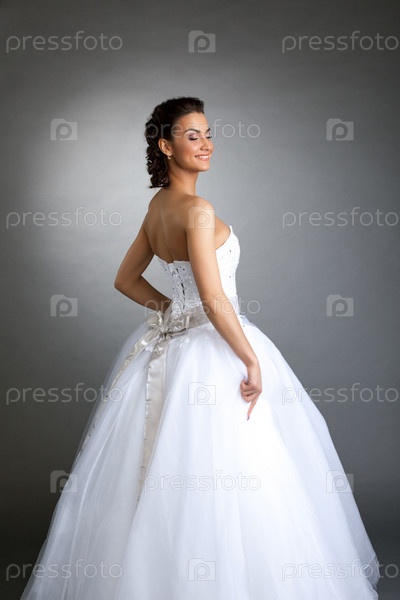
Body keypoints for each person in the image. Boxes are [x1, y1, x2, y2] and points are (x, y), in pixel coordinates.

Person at [20, 97, 380, 599]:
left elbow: (126, 279)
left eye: (209, 133)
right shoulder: (197, 210)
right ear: (166, 146)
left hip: (171, 351)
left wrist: (174, 310)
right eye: (193, 135)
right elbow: (213, 299)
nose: (206, 143)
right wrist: (250, 358)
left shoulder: (158, 208)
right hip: (213, 352)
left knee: (171, 472)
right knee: (237, 473)